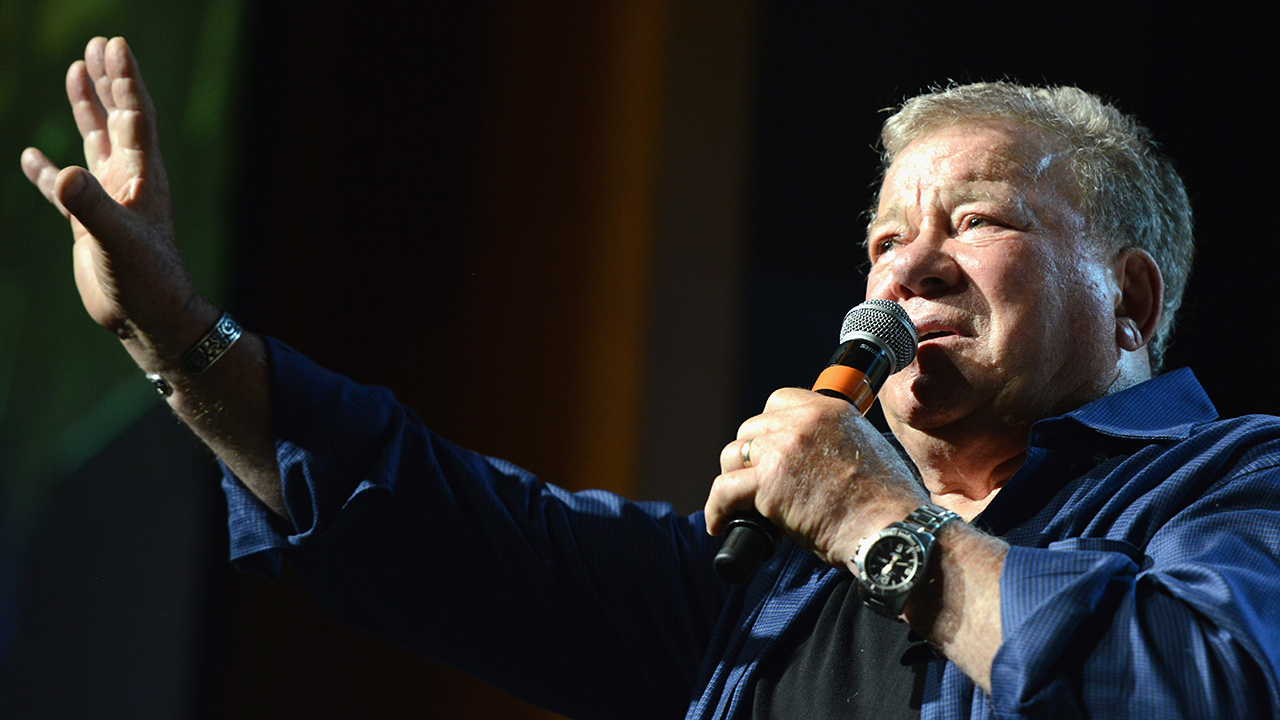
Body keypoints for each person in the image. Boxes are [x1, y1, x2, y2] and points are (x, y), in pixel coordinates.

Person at [22, 36, 1280, 719]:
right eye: (884, 239)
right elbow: (441, 522)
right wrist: (176, 336)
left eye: (975, 220)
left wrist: (867, 516)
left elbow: (1205, 688)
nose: (906, 267)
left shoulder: (1236, 484)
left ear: (1128, 301)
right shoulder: (767, 585)